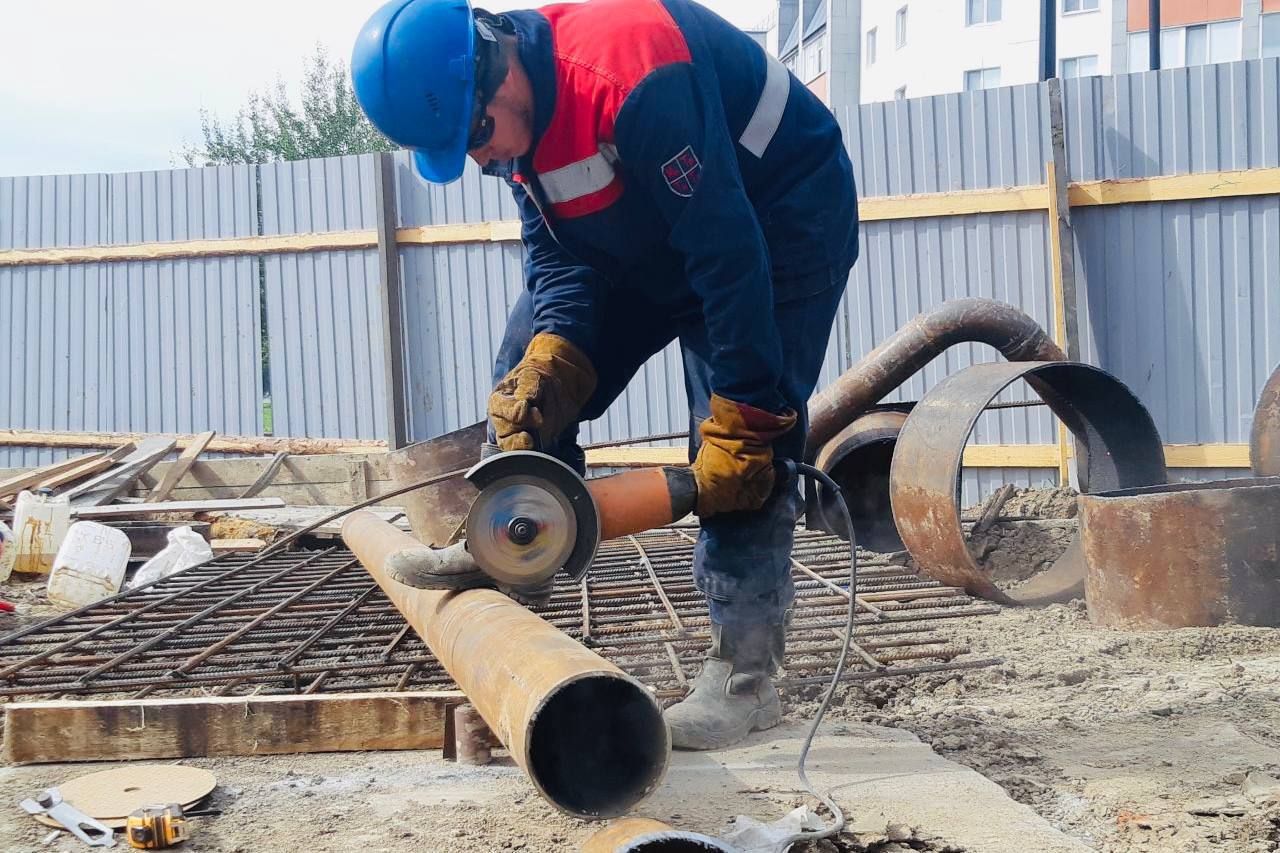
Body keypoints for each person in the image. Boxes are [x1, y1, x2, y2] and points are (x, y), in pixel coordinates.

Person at [352, 0, 859, 750]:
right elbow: (558, 259)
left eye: (477, 137)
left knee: (740, 447)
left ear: (499, 74)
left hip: (777, 224)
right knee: (527, 381)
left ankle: (746, 678)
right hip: (660, 226)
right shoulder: (512, 132)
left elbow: (727, 257)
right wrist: (556, 357)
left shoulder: (632, 72)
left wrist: (748, 413)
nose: (482, 161)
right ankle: (511, 543)